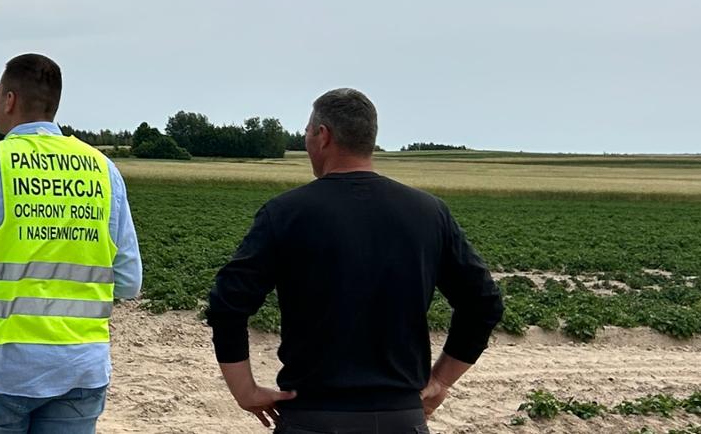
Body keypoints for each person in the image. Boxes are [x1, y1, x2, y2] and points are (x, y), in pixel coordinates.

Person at [206, 88, 504, 432]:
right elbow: (483, 304)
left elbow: (227, 304)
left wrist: (244, 390)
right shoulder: (428, 213)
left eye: (306, 131)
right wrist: (440, 380)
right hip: (402, 419)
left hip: (312, 419)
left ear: (323, 136)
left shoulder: (286, 213)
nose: (306, 140)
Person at [0, 53, 143, 434]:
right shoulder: (104, 170)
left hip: (1, 371)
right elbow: (129, 282)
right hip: (82, 368)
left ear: (9, 100)